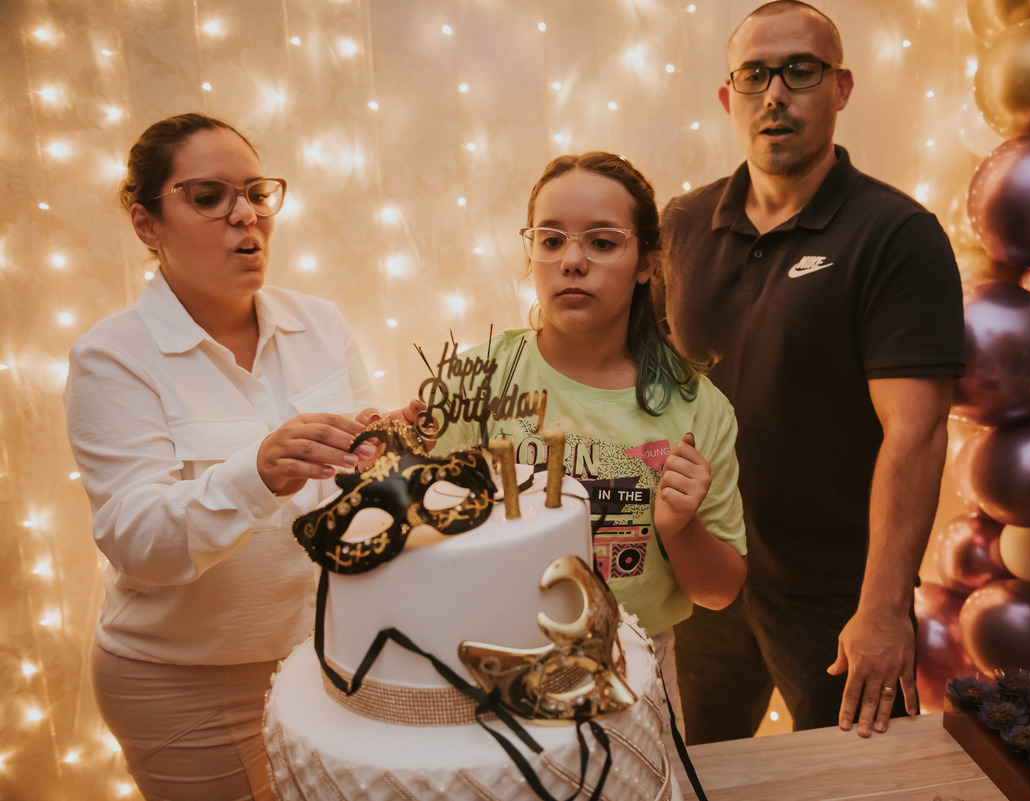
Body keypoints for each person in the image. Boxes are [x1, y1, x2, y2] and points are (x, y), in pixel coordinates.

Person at [658, 1, 965, 742]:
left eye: (800, 70)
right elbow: (644, 386)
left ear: (840, 87)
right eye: (755, 74)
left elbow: (916, 433)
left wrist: (884, 607)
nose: (775, 94)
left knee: (861, 780)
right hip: (706, 571)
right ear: (728, 97)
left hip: (839, 594)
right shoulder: (681, 225)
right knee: (697, 771)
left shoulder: (897, 235)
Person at [63, 113, 384, 800]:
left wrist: (387, 448)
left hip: (327, 657)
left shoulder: (320, 323)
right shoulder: (112, 357)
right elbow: (136, 541)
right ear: (146, 224)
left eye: (257, 193)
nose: (246, 215)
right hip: (187, 685)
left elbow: (362, 488)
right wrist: (257, 472)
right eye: (209, 197)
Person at [420, 151, 747, 711]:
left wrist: (680, 527)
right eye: (551, 240)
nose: (572, 261)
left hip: (637, 670)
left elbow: (718, 592)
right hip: (492, 659)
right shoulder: (473, 382)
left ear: (646, 263)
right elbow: (419, 542)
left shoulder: (698, 409)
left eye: (602, 241)